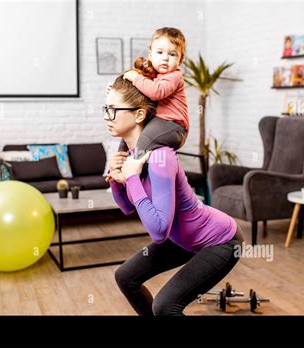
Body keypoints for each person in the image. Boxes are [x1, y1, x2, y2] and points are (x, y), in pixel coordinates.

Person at [103, 68, 245, 316]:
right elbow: (127, 208)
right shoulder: (135, 155)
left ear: (138, 114)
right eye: (106, 109)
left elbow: (159, 231)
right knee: (126, 277)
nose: (107, 116)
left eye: (113, 110)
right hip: (184, 240)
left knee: (166, 306)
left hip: (221, 240)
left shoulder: (160, 157)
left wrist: (133, 178)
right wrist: (116, 179)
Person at [110, 27, 189, 161]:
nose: (165, 58)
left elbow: (156, 92)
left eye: (172, 54)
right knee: (128, 136)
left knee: (145, 139)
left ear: (180, 60)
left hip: (174, 126)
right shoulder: (153, 76)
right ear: (150, 55)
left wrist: (135, 78)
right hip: (159, 122)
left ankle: (136, 170)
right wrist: (113, 90)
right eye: (160, 52)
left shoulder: (175, 76)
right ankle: (120, 165)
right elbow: (138, 93)